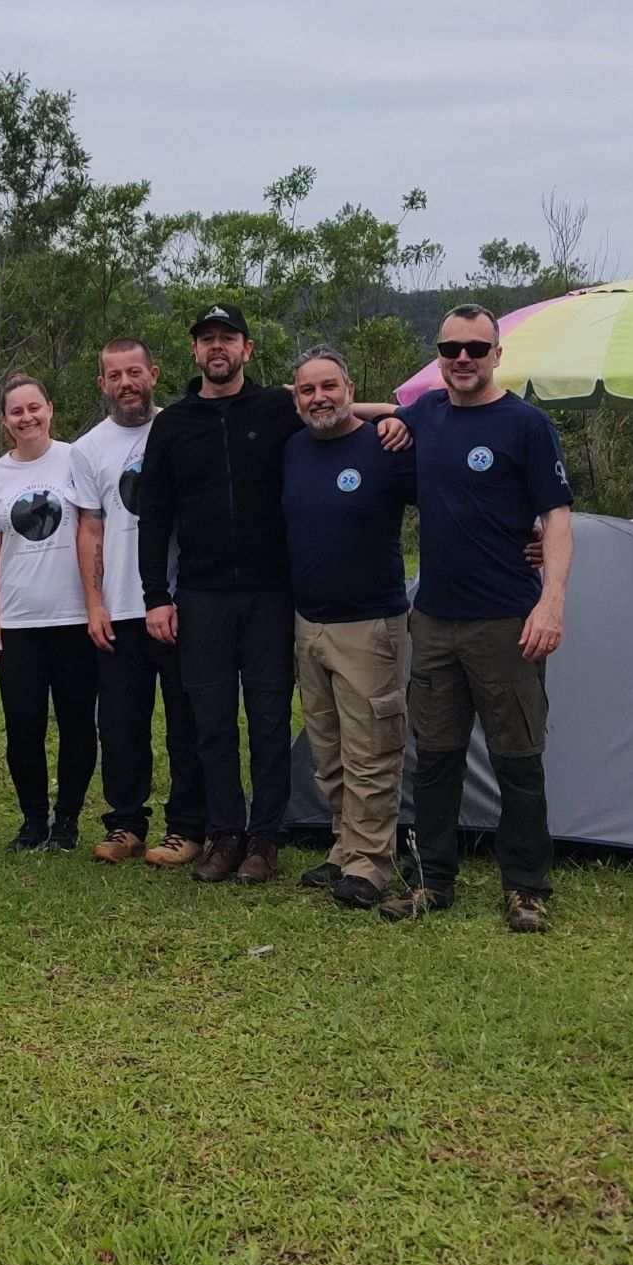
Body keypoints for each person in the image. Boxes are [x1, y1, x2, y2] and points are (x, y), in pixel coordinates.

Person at [139, 303, 409, 886]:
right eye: (207, 339)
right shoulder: (174, 424)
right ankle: (224, 834)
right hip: (201, 595)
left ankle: (265, 838)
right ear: (195, 352)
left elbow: (330, 413)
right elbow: (154, 516)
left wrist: (395, 415)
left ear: (247, 349)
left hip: (272, 595)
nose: (218, 348)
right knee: (210, 721)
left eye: (228, 338)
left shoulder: (276, 410)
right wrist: (156, 594)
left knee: (267, 720)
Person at [383, 303, 573, 934]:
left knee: (519, 758)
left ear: (498, 354)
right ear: (438, 355)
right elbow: (357, 414)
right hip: (434, 620)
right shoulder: (427, 415)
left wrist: (551, 600)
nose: (462, 358)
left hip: (507, 622)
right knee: (434, 757)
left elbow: (558, 519)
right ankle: (433, 880)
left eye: (475, 348)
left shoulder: (526, 425)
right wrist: (324, 409)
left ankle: (525, 888)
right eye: (449, 348)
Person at [282, 345, 418, 910]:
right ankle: (345, 848)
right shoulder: (292, 450)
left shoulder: (386, 446)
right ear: (296, 398)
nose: (320, 398)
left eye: (329, 387)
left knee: (372, 750)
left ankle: (371, 863)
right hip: (308, 623)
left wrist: (393, 418)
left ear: (349, 387)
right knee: (328, 748)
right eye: (308, 390)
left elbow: (448, 485)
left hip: (370, 625)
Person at [69, 339, 204, 867]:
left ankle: (187, 827)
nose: (127, 383)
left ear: (154, 374)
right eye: (114, 375)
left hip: (178, 602)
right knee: (122, 724)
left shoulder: (181, 427)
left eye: (135, 373)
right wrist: (94, 604)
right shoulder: (88, 448)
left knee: (185, 720)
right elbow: (90, 526)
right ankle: (126, 823)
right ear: (102, 384)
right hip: (119, 607)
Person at [0, 375, 97, 851]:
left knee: (76, 723)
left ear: (50, 409)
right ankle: (32, 821)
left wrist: (95, 603)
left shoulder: (75, 460)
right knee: (23, 726)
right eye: (16, 412)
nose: (27, 418)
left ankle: (66, 821)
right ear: (5, 422)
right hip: (19, 621)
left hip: (73, 618)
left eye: (34, 408)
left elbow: (93, 527)